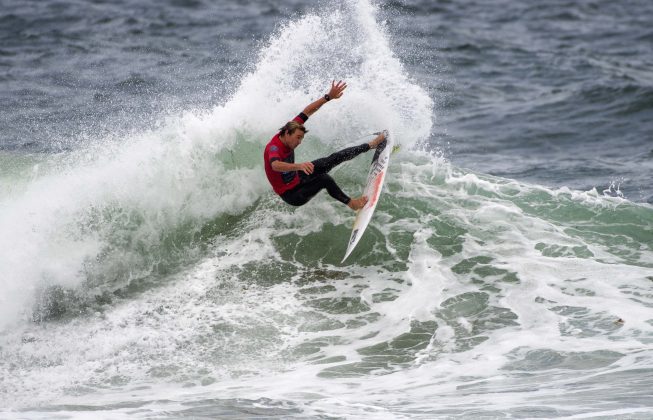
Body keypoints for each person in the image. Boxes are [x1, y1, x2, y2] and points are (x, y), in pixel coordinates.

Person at [263, 80, 386, 211]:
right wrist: (299, 166)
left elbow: (307, 111)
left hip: (298, 178)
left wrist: (328, 97)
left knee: (334, 158)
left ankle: (371, 145)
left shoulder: (293, 127)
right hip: (292, 194)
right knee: (324, 179)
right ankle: (352, 204)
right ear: (287, 133)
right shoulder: (274, 147)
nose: (299, 142)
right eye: (298, 138)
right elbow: (275, 165)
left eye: (301, 138)